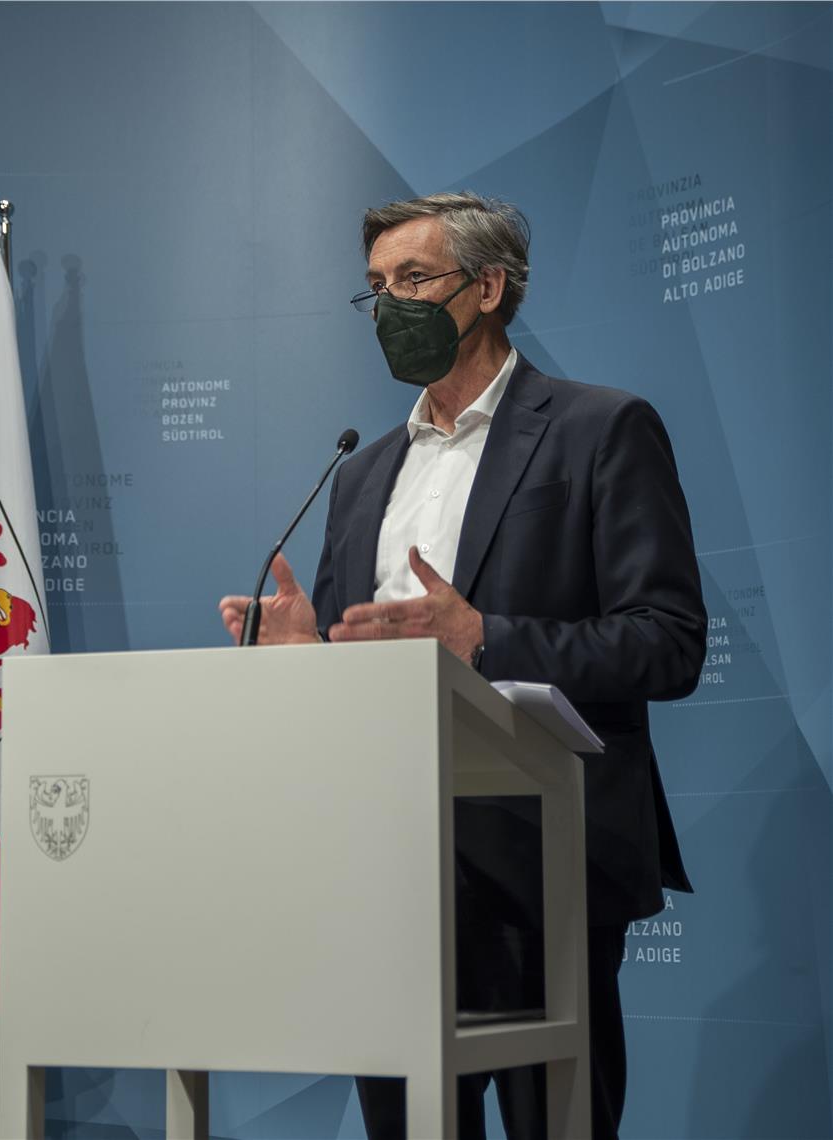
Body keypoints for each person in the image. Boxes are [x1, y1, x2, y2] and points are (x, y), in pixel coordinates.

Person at [219, 191, 706, 1140]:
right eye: (375, 287)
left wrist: (485, 638)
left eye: (413, 278)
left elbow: (668, 640)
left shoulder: (600, 429)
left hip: (541, 862)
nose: (390, 303)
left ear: (488, 287)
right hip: (384, 866)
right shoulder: (361, 473)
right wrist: (309, 655)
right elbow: (369, 667)